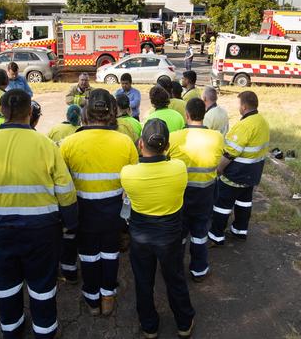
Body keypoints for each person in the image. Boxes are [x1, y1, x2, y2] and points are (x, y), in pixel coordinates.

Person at [0, 89, 79, 338]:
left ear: (2, 112)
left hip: (0, 230)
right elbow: (66, 191)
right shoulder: (46, 145)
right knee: (42, 285)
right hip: (42, 231)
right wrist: (70, 222)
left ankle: (12, 330)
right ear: (30, 112)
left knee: (6, 286)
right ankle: (45, 331)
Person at [60, 89, 138, 316]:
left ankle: (92, 299)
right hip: (114, 211)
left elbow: (62, 184)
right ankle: (107, 297)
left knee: (88, 254)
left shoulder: (68, 143)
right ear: (112, 113)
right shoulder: (125, 142)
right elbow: (130, 184)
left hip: (82, 210)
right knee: (110, 252)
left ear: (86, 112)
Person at [121, 119, 195, 339]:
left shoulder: (127, 173)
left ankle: (149, 326)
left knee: (143, 281)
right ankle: (183, 323)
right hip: (170, 235)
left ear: (141, 143)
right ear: (167, 145)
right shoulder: (179, 168)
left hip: (140, 235)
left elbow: (128, 200)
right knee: (175, 278)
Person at [168, 98, 224, 282]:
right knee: (200, 233)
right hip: (206, 193)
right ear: (205, 114)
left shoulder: (175, 137)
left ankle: (175, 267)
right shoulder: (217, 137)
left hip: (180, 193)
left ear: (187, 115)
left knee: (179, 233)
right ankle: (199, 269)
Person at [209, 91, 270, 245]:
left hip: (235, 175)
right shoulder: (262, 122)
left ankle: (216, 235)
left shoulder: (244, 125)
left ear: (243, 106)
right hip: (253, 174)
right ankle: (240, 230)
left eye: (238, 104)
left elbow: (230, 153)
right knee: (244, 202)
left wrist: (219, 169)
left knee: (222, 205)